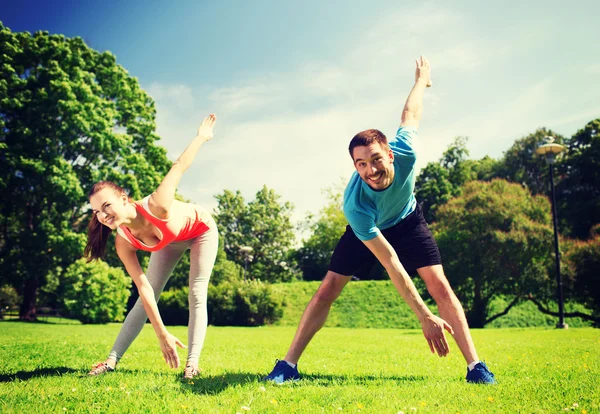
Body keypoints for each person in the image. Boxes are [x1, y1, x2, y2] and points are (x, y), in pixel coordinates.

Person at [264, 57, 496, 384]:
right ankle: (287, 365)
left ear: (389, 154)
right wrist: (423, 316)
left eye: (375, 159)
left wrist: (421, 81)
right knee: (328, 288)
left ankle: (476, 367)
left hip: (409, 221)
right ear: (354, 166)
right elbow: (391, 263)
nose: (370, 170)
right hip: (371, 231)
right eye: (360, 164)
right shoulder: (355, 205)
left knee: (439, 284)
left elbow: (411, 114)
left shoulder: (407, 153)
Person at [85, 114, 219, 380]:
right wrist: (162, 334)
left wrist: (202, 136)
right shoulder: (123, 241)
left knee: (196, 292)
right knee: (145, 297)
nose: (102, 215)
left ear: (124, 199)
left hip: (201, 231)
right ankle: (110, 361)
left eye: (107, 206)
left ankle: (192, 365)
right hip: (170, 242)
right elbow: (144, 289)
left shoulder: (158, 204)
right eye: (97, 212)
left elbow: (179, 166)